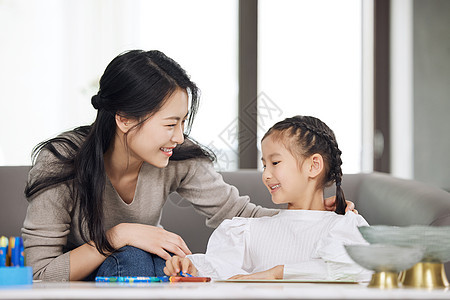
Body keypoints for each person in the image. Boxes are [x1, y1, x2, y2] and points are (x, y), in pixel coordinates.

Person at [22, 50, 354, 282]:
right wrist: (119, 235)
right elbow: (38, 274)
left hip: (140, 274)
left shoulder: (177, 158)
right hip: (84, 282)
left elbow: (236, 213)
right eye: (170, 124)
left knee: (167, 264)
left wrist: (310, 217)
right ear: (123, 118)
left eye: (183, 123)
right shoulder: (61, 161)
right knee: (136, 257)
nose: (179, 137)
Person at [164, 115, 371, 281]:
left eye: (275, 162)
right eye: (265, 165)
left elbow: (356, 267)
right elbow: (221, 267)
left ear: (313, 165)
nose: (266, 175)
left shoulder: (342, 226)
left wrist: (277, 273)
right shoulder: (249, 231)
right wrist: (191, 267)